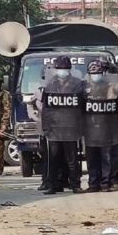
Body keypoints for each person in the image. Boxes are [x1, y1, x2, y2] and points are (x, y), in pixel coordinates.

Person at [41, 56, 83, 194]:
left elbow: (82, 107)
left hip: (71, 128)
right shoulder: (50, 85)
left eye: (64, 68)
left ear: (69, 69)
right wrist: (46, 128)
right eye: (59, 68)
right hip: (54, 129)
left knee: (72, 160)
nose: (62, 71)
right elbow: (45, 109)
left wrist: (81, 127)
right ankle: (53, 185)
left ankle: (75, 185)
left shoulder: (77, 84)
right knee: (53, 160)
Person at [83, 59, 118, 192]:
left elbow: (115, 101)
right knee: (92, 159)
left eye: (98, 72)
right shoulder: (84, 87)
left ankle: (105, 183)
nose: (96, 75)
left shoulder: (109, 85)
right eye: (93, 73)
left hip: (107, 127)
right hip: (90, 129)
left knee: (107, 158)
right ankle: (93, 184)